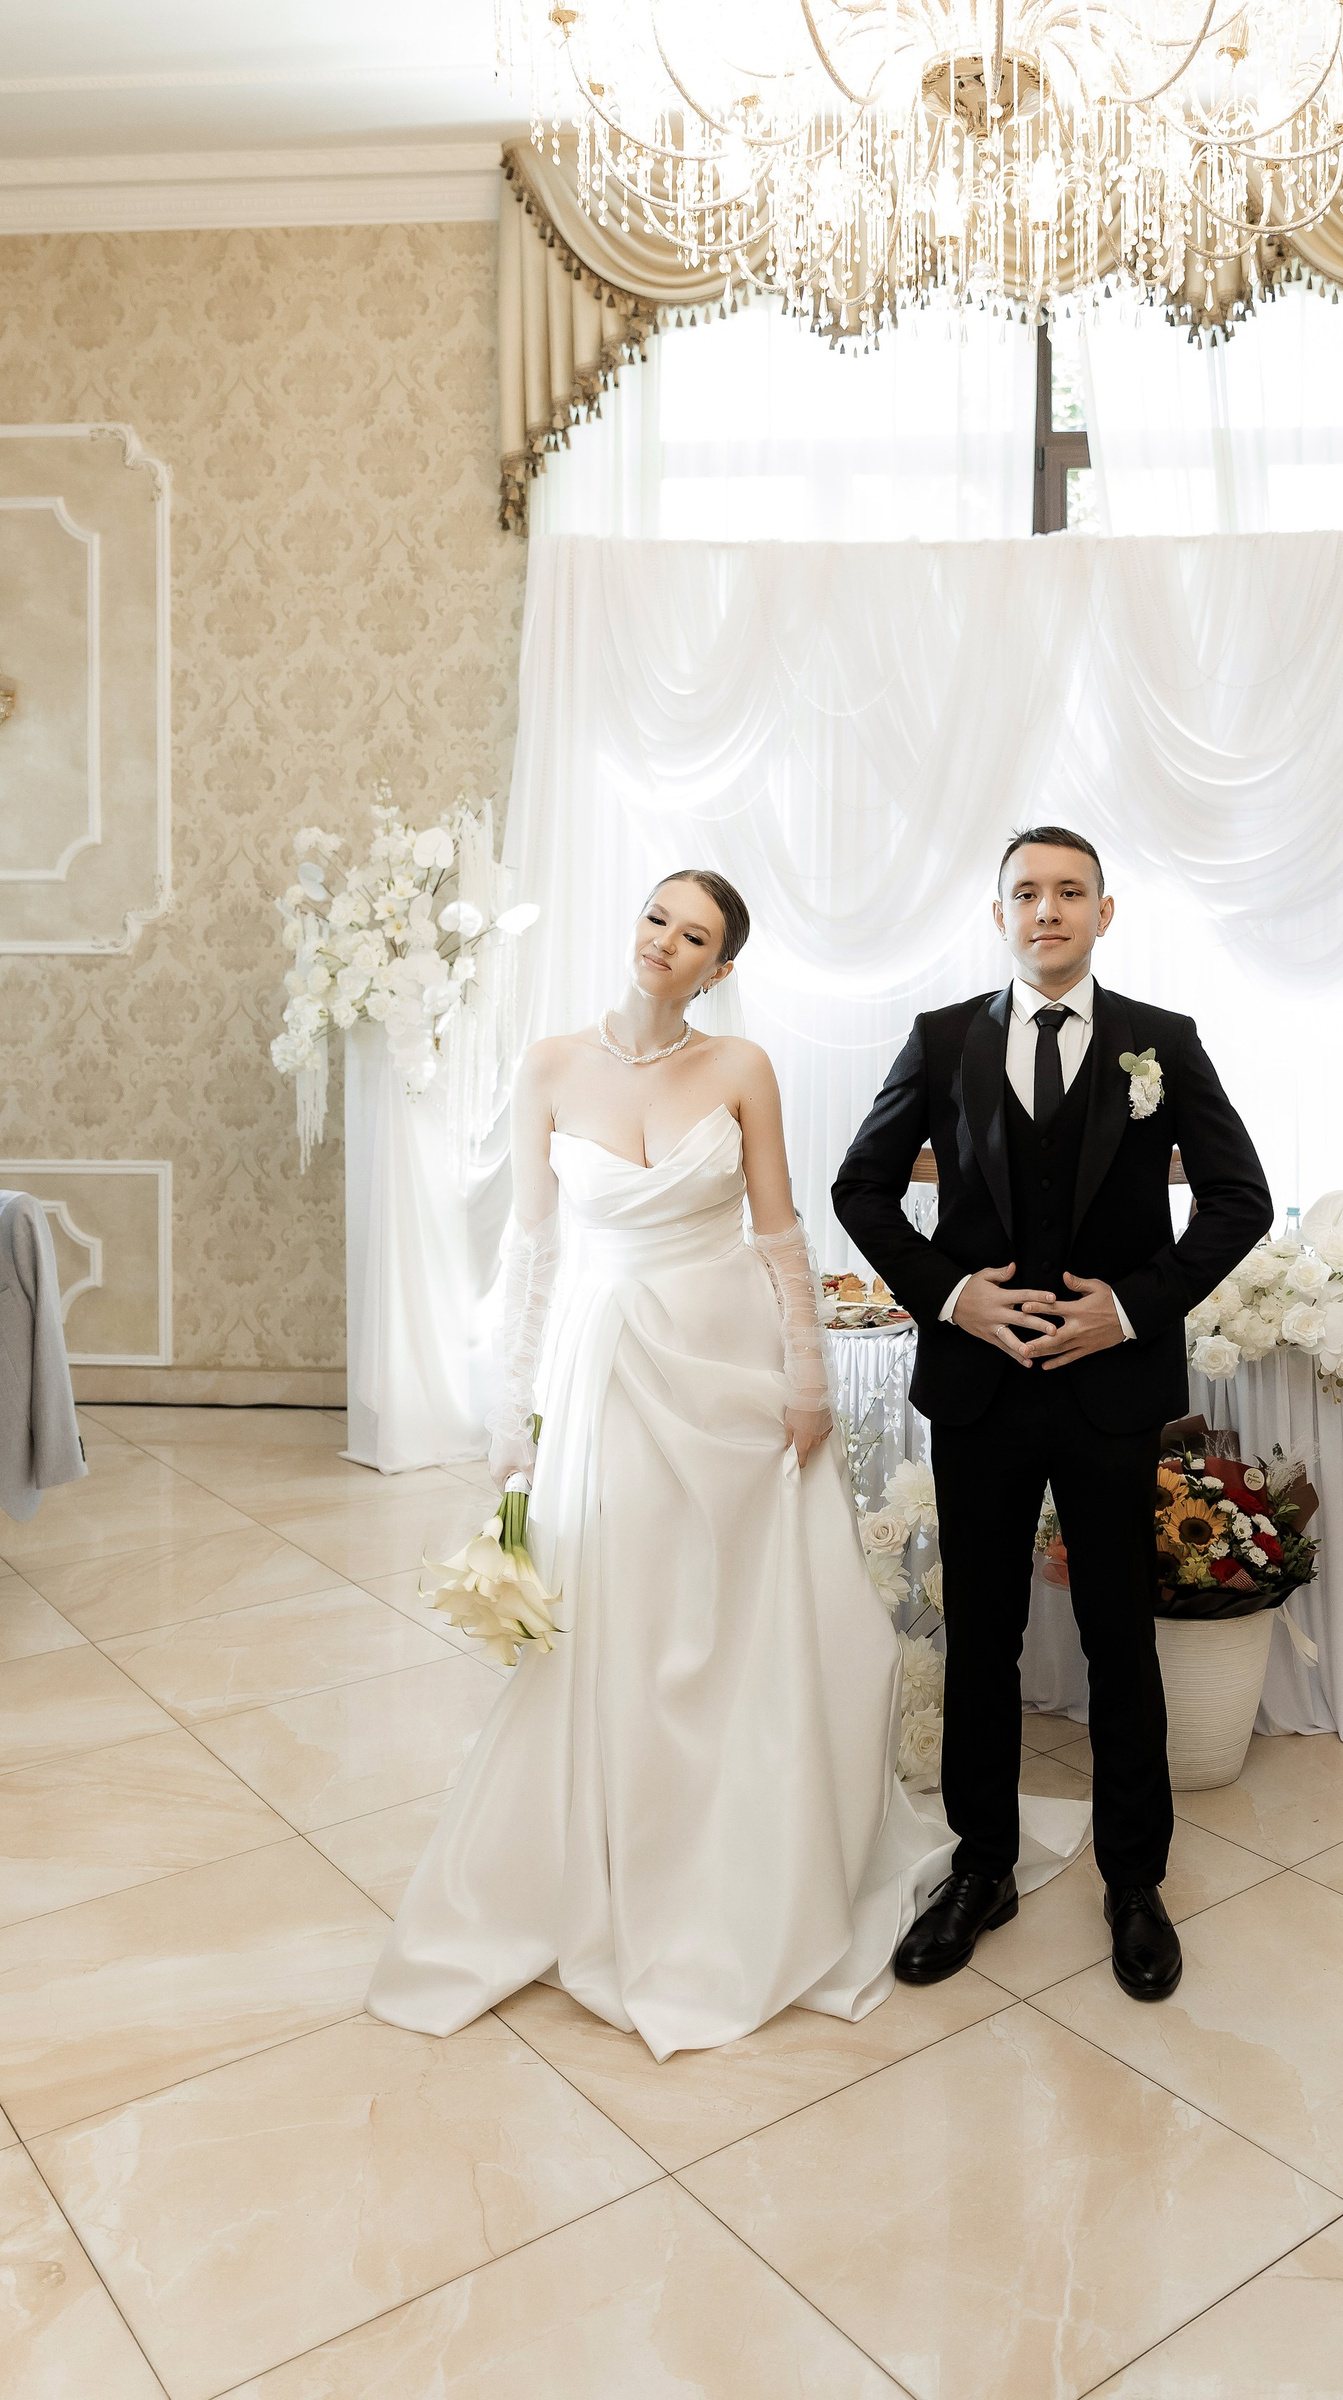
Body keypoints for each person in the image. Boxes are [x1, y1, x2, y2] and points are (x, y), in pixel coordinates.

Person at [368, 871, 954, 2056]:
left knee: (730, 1612)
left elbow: (779, 1232)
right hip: (608, 1368)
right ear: (633, 924)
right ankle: (619, 1858)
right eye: (656, 919)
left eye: (694, 937)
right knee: (626, 1607)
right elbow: (533, 1251)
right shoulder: (549, 1065)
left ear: (718, 968)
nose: (665, 944)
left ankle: (740, 1857)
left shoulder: (742, 1070)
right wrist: (513, 1419)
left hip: (730, 1362)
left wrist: (806, 1380)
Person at [833, 826, 1272, 2002]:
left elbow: (1240, 1198)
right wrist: (952, 1295)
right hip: (978, 1389)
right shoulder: (940, 1041)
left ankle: (1135, 1879)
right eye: (1026, 892)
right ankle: (982, 1867)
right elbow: (859, 1186)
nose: (1048, 909)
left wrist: (1130, 1309)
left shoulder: (1162, 1041)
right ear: (1000, 915)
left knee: (1119, 1632)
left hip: (1110, 1392)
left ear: (1103, 912)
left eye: (1070, 891)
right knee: (981, 1634)